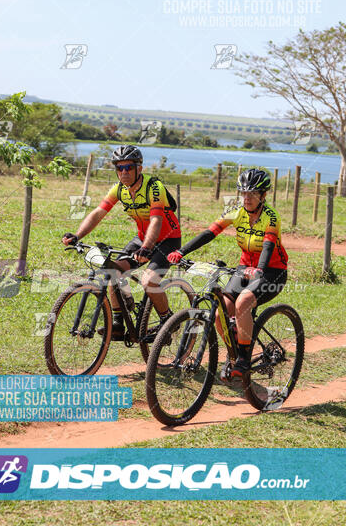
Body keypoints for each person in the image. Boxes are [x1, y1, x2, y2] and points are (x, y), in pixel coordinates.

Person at [167, 168, 288, 377]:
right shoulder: (236, 211)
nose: (247, 198)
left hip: (271, 270)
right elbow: (209, 233)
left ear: (264, 195)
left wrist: (259, 269)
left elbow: (267, 247)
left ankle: (243, 358)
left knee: (243, 304)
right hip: (245, 268)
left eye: (253, 193)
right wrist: (181, 251)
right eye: (243, 193)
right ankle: (234, 352)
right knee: (219, 313)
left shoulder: (271, 217)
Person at [62, 145, 181, 341]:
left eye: (128, 167)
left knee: (150, 280)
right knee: (112, 271)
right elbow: (98, 213)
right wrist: (77, 235)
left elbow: (156, 220)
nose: (124, 172)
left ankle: (167, 322)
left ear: (139, 168)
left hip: (167, 240)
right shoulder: (119, 189)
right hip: (143, 239)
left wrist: (147, 249)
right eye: (119, 168)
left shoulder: (154, 187)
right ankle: (118, 322)